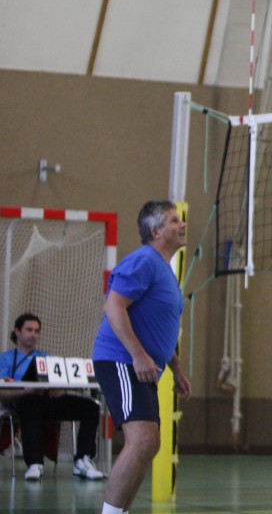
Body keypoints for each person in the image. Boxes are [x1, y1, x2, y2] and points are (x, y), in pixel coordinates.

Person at [92, 200, 192, 514]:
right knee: (143, 440)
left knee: (150, 443)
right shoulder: (144, 260)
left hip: (143, 366)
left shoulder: (164, 271)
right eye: (174, 220)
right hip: (121, 360)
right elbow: (113, 307)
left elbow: (158, 328)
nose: (182, 224)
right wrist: (137, 355)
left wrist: (176, 368)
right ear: (155, 231)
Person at [0, 313, 105, 480]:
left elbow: (58, 382)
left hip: (48, 402)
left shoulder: (45, 358)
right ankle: (35, 463)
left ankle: (83, 461)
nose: (33, 334)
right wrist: (25, 391)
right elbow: (0, 393)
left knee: (91, 407)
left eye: (37, 331)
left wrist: (60, 390)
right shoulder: (5, 359)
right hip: (22, 403)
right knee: (29, 404)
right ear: (17, 332)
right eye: (29, 330)